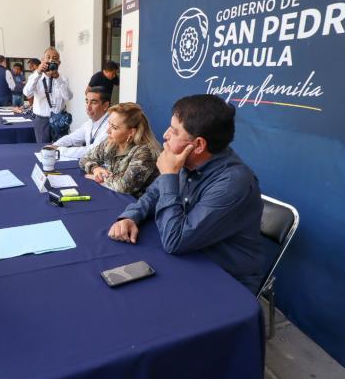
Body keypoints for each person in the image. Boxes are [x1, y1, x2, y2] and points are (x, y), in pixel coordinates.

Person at [107, 94, 264, 294]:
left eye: (174, 131)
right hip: (189, 257)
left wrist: (169, 175)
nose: (165, 135)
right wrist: (131, 216)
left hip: (224, 278)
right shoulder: (188, 159)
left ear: (198, 145)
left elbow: (175, 241)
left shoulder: (232, 182)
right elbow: (153, 194)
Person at [80, 102, 160, 197]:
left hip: (137, 206)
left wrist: (98, 177)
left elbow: (124, 186)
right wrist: (95, 169)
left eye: (114, 127)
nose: (107, 130)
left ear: (131, 132)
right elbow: (84, 159)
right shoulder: (112, 142)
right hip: (115, 197)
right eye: (109, 124)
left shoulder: (145, 152)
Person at [23, 47, 73, 142]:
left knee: (61, 149)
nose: (51, 60)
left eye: (54, 58)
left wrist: (58, 78)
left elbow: (68, 97)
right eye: (48, 57)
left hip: (59, 119)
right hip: (42, 121)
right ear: (43, 60)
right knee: (43, 149)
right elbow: (27, 93)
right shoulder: (35, 77)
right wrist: (38, 72)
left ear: (59, 62)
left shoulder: (63, 78)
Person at [49, 86, 111, 159]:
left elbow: (93, 151)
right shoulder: (89, 122)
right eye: (87, 102)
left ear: (105, 105)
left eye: (93, 103)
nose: (88, 107)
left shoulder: (111, 125)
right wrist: (55, 145)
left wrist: (59, 150)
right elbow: (71, 138)